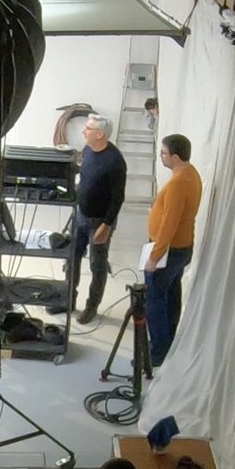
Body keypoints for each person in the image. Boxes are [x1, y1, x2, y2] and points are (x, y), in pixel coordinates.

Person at [142, 132, 202, 369]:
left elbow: (170, 223)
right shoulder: (191, 173)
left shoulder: (178, 183)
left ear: (175, 157)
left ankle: (158, 350)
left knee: (154, 298)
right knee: (170, 295)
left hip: (168, 250)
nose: (161, 157)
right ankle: (168, 342)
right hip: (181, 247)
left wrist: (154, 257)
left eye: (164, 153)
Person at [70, 116, 127, 323]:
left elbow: (118, 198)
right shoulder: (87, 151)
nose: (84, 131)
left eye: (88, 128)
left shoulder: (115, 162)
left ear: (100, 134)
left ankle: (91, 306)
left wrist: (107, 225)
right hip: (81, 215)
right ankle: (67, 300)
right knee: (71, 258)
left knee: (97, 265)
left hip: (99, 222)